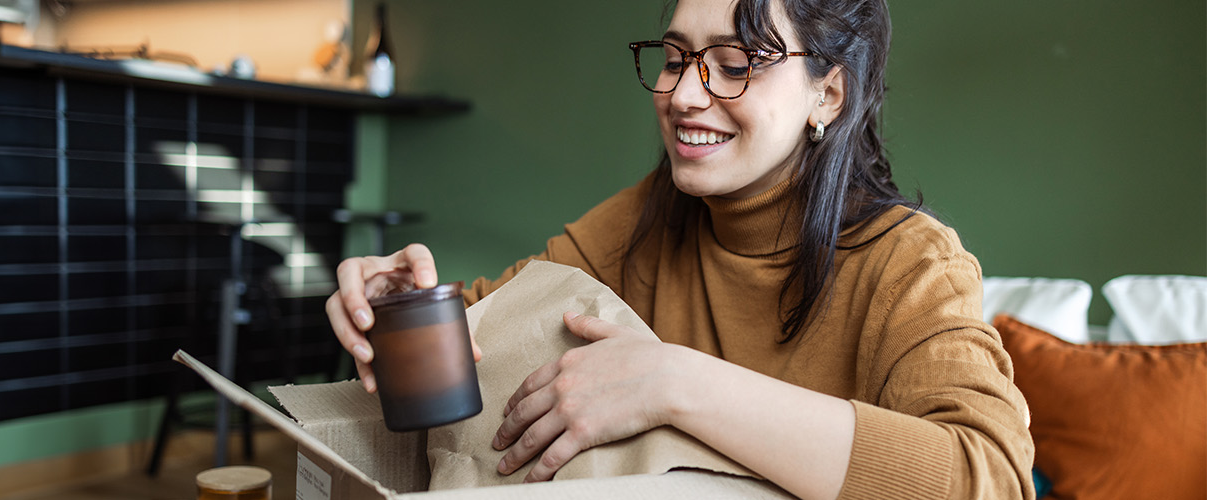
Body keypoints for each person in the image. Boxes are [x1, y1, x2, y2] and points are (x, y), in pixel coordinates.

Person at [324, 0, 1034, 498]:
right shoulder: (643, 220)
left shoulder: (910, 262)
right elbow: (478, 342)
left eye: (735, 63)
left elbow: (990, 481)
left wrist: (675, 385)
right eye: (673, 58)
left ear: (829, 95)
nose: (685, 94)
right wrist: (393, 312)